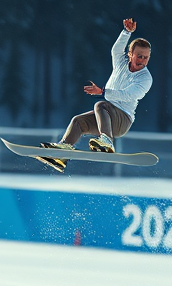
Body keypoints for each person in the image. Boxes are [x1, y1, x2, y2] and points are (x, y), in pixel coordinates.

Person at [38, 18, 153, 172]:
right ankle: (62, 153)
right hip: (107, 115)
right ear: (130, 54)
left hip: (122, 120)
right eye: (139, 56)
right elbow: (116, 50)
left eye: (146, 57)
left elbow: (128, 95)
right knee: (78, 121)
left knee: (101, 105)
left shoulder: (145, 78)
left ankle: (107, 141)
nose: (142, 61)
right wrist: (126, 32)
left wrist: (103, 92)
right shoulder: (120, 62)